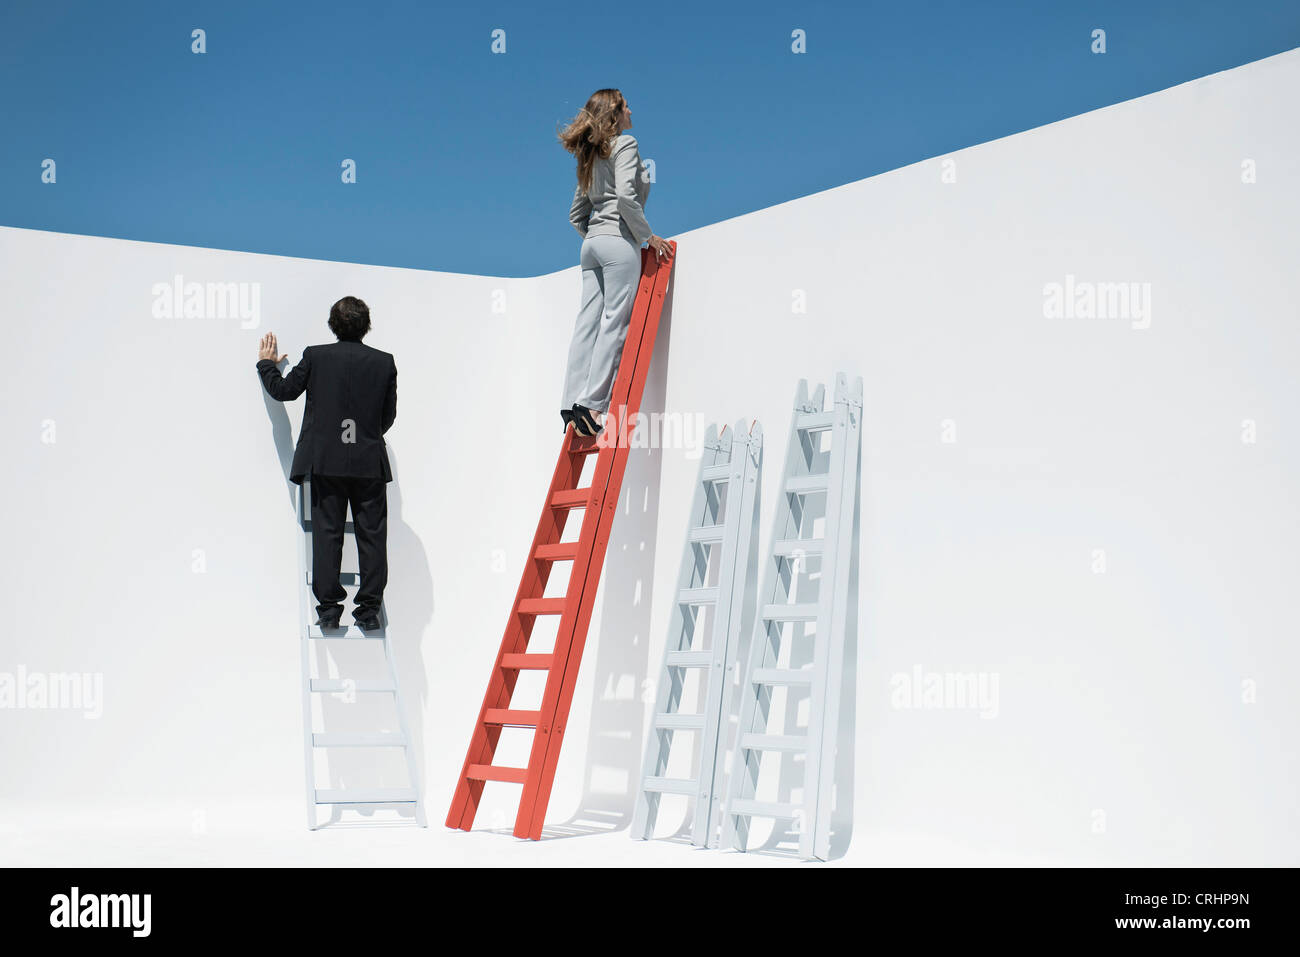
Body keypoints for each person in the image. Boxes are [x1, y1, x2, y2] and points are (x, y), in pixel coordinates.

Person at [255, 296, 397, 631]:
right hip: (368, 464)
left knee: (327, 535)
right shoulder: (384, 362)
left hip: (326, 463)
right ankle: (369, 611)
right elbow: (386, 417)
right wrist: (363, 438)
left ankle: (329, 611)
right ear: (367, 325)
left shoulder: (315, 356)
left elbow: (284, 391)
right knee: (373, 539)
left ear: (333, 325)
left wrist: (266, 364)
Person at [558, 88, 672, 436]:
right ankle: (592, 405)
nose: (631, 110)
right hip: (617, 241)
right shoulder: (626, 144)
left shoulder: (589, 155)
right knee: (615, 321)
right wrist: (645, 236)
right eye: (626, 106)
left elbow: (576, 215)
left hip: (590, 245)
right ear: (615, 114)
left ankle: (570, 403)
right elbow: (625, 196)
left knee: (586, 323)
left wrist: (596, 237)